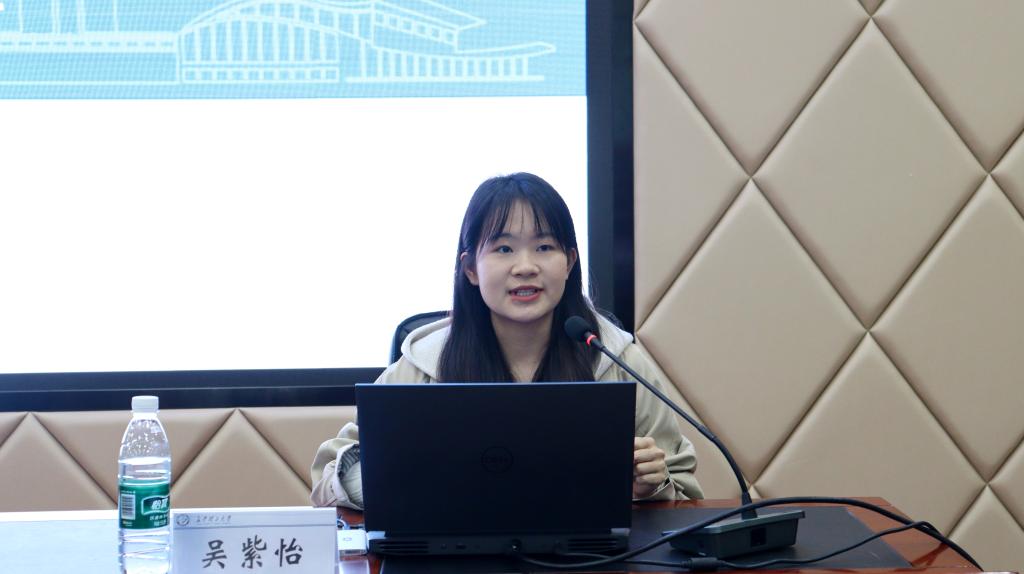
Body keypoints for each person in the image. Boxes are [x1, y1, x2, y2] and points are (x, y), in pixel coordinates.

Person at [311, 172, 704, 509]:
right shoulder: (424, 366)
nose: (525, 267)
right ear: (470, 268)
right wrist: (391, 476)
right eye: (503, 248)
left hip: (590, 560)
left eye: (544, 247)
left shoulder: (616, 360)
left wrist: (651, 488)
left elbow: (687, 495)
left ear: (569, 262)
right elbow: (327, 482)